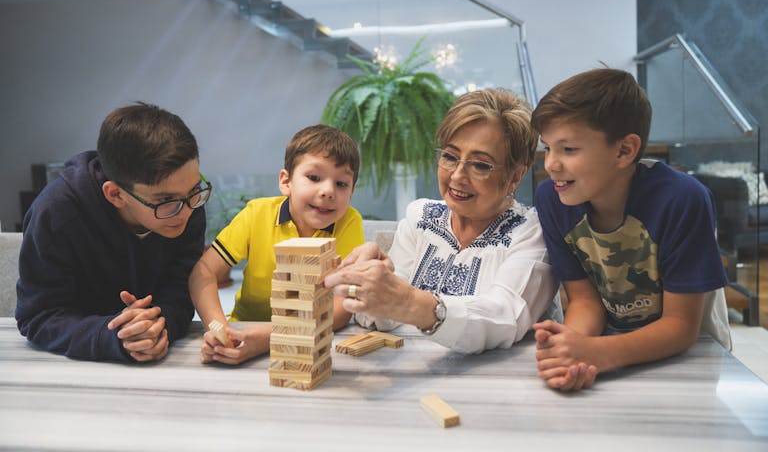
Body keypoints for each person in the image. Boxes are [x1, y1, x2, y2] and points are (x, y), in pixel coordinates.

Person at [531, 68, 731, 391]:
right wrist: (572, 353)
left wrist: (597, 353)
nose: (551, 164)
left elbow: (681, 326)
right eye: (547, 148)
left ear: (624, 151)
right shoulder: (553, 200)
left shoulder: (683, 200)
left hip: (689, 358)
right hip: (614, 352)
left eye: (568, 149)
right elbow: (585, 301)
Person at [324, 88, 560, 354]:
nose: (458, 176)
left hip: (504, 386)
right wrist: (372, 282)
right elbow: (383, 320)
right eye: (450, 156)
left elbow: (505, 318)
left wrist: (410, 303)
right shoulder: (421, 218)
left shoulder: (532, 233)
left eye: (480, 165)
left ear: (515, 176)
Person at [16, 103, 208, 362]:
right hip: (73, 367)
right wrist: (116, 336)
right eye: (166, 200)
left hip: (162, 362)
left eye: (194, 191)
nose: (186, 212)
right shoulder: (56, 213)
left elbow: (181, 290)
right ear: (116, 194)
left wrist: (160, 324)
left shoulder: (186, 204)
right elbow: (39, 316)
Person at [189, 124, 364, 365]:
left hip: (312, 339)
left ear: (352, 191)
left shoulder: (349, 222)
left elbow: (343, 306)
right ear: (286, 181)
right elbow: (204, 272)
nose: (328, 191)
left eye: (341, 184)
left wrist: (274, 336)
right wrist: (218, 329)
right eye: (314, 177)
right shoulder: (257, 213)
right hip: (242, 332)